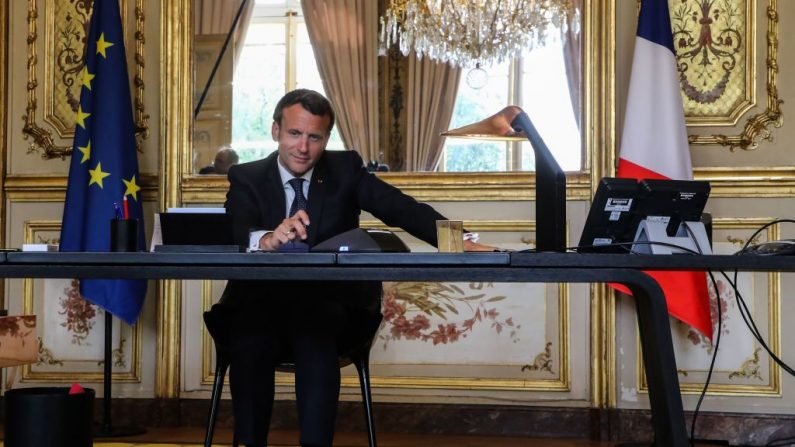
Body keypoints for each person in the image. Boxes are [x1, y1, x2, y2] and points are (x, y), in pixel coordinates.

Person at [208, 89, 489, 447]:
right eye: (295, 134)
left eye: (315, 137)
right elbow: (237, 229)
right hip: (260, 305)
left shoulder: (344, 170)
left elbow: (401, 207)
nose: (303, 147)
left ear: (326, 138)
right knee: (249, 338)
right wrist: (267, 240)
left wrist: (459, 240)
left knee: (312, 331)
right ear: (276, 130)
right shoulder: (246, 176)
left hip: (330, 308)